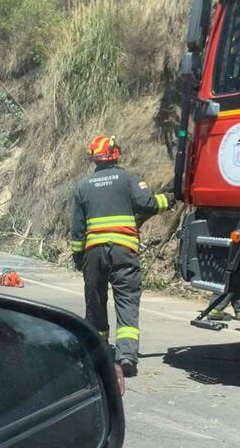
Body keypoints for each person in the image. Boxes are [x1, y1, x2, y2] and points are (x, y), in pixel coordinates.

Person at [71, 135, 173, 378]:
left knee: (95, 301)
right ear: (114, 154)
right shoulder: (127, 179)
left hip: (93, 253)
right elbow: (147, 203)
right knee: (126, 300)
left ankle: (98, 350)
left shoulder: (83, 186)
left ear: (95, 158)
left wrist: (78, 257)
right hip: (123, 251)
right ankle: (126, 356)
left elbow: (77, 229)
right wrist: (168, 200)